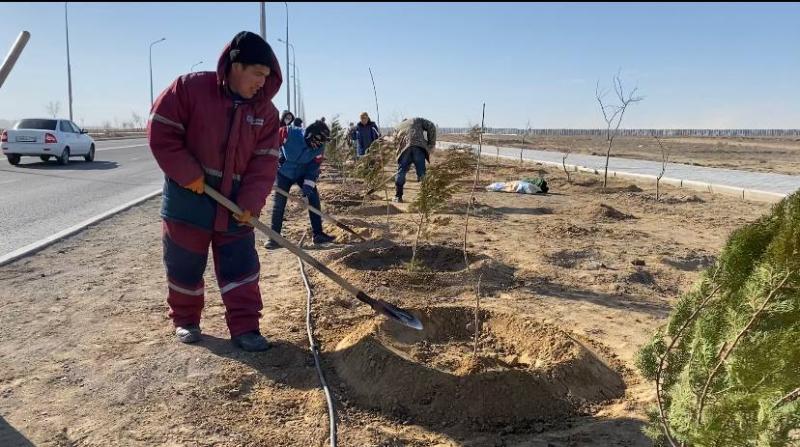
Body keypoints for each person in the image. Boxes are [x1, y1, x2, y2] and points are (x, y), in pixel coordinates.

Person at [148, 31, 282, 352]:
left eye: (267, 76)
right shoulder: (190, 89)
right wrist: (187, 173)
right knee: (184, 266)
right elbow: (161, 130)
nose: (262, 83)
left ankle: (246, 328)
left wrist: (250, 202)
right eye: (257, 74)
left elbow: (264, 164)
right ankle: (186, 320)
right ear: (236, 66)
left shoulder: (265, 113)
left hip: (236, 205)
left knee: (242, 268)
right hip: (188, 199)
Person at [265, 118, 336, 249]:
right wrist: (270, 164)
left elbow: (313, 168)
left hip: (303, 172)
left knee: (313, 197)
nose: (319, 144)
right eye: (317, 140)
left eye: (321, 142)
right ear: (310, 135)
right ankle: (274, 238)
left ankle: (318, 234)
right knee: (279, 203)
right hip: (284, 172)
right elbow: (269, 144)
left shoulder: (320, 148)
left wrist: (306, 190)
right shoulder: (289, 133)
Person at [392, 117, 437, 203]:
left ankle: (398, 196)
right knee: (422, 173)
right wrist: (431, 144)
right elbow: (431, 125)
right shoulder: (417, 120)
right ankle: (426, 197)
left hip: (405, 149)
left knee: (401, 172)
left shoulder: (398, 126)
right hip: (418, 147)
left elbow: (395, 142)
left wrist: (400, 158)